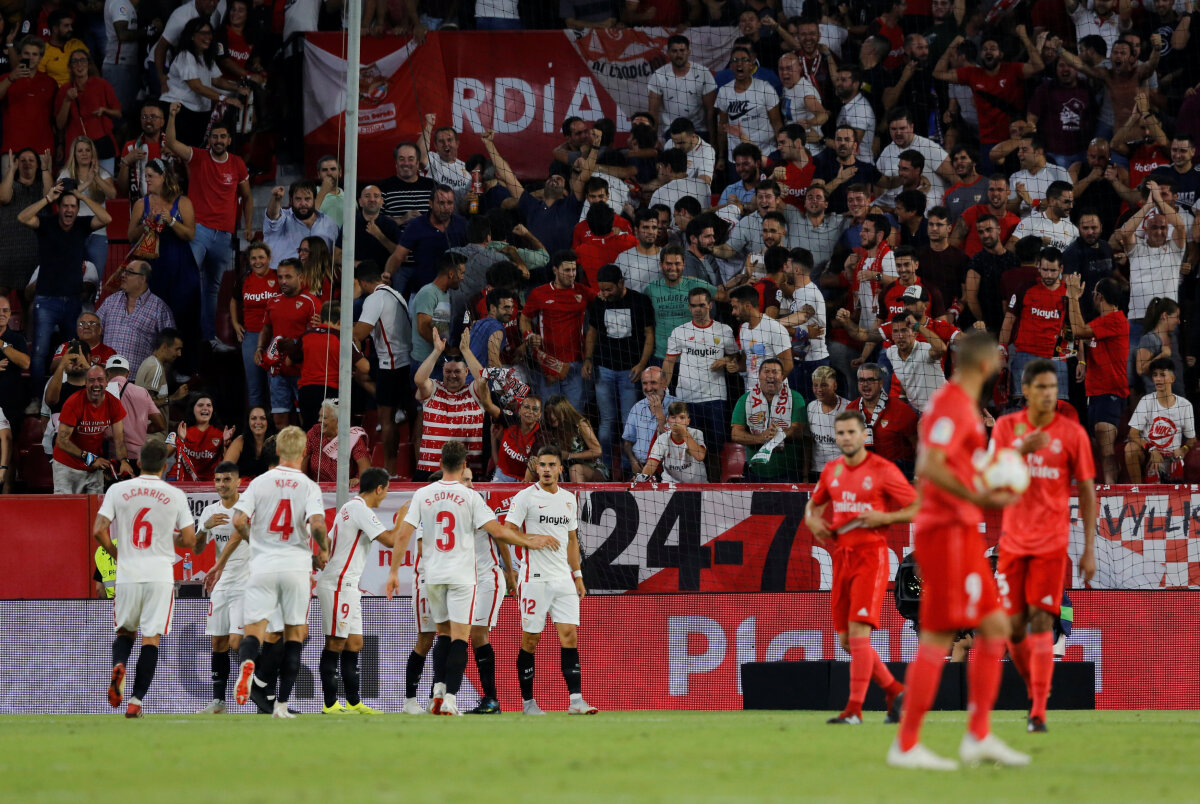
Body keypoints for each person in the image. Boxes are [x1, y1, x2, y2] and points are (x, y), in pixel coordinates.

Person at [888, 331, 1028, 770]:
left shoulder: (964, 407)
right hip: (945, 534)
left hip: (962, 533)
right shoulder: (951, 404)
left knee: (992, 628)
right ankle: (908, 743)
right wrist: (982, 489)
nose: (1001, 367)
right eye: (998, 360)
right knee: (939, 638)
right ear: (984, 363)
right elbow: (929, 467)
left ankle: (977, 736)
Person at [387, 441, 552, 716]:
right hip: (462, 576)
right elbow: (499, 533)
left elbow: (403, 534)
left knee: (443, 635)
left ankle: (437, 691)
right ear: (464, 464)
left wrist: (393, 572)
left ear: (440, 464)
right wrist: (529, 541)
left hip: (434, 576)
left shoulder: (423, 494)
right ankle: (450, 699)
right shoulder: (471, 498)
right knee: (461, 639)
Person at [990, 359, 1096, 733]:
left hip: (1052, 544)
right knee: (1014, 630)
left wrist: (1089, 548)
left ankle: (1037, 708)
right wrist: (1019, 451)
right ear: (1026, 389)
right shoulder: (1005, 428)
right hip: (1013, 543)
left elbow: (1086, 490)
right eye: (1042, 388)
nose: (1050, 394)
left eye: (1054, 387)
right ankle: (1036, 683)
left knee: (1041, 622)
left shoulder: (1073, 434)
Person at [805, 410, 916, 725]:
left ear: (864, 435)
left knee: (857, 637)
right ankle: (895, 689)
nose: (845, 438)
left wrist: (887, 518)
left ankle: (853, 710)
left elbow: (918, 505)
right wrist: (813, 520)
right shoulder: (831, 470)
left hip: (871, 556)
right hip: (842, 557)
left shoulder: (882, 469)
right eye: (840, 433)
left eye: (851, 432)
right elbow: (813, 504)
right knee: (845, 640)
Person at [93, 439, 199, 718]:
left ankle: (119, 665)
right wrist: (169, 536)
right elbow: (189, 540)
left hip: (128, 573)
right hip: (160, 575)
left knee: (124, 632)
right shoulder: (174, 494)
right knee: (150, 639)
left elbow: (98, 530)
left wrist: (119, 554)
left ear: (138, 462)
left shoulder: (118, 489)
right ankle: (136, 702)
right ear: (165, 466)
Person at [229, 425, 329, 719]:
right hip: (295, 565)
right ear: (301, 452)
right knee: (295, 633)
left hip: (262, 564)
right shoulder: (309, 486)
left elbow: (237, 520)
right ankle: (282, 705)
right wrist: (321, 550)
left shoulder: (260, 482)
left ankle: (249, 665)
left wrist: (256, 540)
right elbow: (319, 525)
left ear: (278, 451)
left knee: (257, 629)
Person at [504, 445, 597, 715]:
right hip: (534, 579)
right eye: (541, 465)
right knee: (531, 639)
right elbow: (507, 532)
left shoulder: (569, 499)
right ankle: (528, 702)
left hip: (563, 580)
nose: (546, 470)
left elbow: (571, 541)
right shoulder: (525, 497)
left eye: (551, 465)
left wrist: (577, 575)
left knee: (570, 635)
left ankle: (576, 700)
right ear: (537, 468)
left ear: (560, 468)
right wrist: (532, 540)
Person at [316, 467, 403, 715]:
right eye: (385, 490)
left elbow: (330, 541)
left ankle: (353, 703)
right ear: (379, 488)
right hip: (339, 583)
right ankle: (330, 703)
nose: (385, 496)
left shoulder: (347, 508)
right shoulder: (359, 509)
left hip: (348, 584)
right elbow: (389, 539)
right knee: (335, 642)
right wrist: (404, 517)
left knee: (354, 643)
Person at [165, 106, 254, 343]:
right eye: (214, 136)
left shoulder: (237, 164)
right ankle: (179, 335)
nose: (218, 140)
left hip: (224, 235)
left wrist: (247, 225)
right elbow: (172, 143)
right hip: (199, 230)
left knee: (212, 290)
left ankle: (209, 339)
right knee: (188, 281)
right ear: (210, 139)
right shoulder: (198, 156)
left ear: (229, 139)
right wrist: (172, 115)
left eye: (222, 136)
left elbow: (247, 197)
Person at [18, 180, 112, 389]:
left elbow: (107, 218)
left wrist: (82, 197)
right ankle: (36, 398)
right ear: (59, 208)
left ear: (77, 209)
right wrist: (47, 199)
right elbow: (22, 217)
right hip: (46, 299)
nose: (69, 210)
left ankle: (71, 394)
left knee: (73, 352)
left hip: (72, 301)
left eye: (73, 206)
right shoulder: (47, 223)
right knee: (40, 352)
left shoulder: (81, 224)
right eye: (65, 206)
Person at [584, 264, 654, 473]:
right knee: (606, 423)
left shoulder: (639, 301)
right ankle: (604, 468)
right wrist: (588, 359)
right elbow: (592, 332)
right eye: (602, 289)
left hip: (630, 372)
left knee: (628, 423)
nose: (604, 293)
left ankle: (627, 467)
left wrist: (642, 365)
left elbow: (649, 333)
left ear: (621, 283)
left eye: (608, 289)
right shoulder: (598, 302)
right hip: (604, 370)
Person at [662, 287, 737, 480]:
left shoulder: (724, 330)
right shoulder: (680, 332)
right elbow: (669, 363)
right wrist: (663, 390)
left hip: (715, 399)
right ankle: (692, 488)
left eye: (702, 305)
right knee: (688, 449)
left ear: (710, 305)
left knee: (714, 449)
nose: (698, 309)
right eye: (694, 306)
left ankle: (715, 492)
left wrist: (728, 361)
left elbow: (736, 357)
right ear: (689, 307)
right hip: (686, 400)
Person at [128, 158, 201, 354]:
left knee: (183, 315)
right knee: (154, 317)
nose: (147, 180)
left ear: (163, 177)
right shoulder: (140, 204)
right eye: (145, 177)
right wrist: (147, 222)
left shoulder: (182, 202)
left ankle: (185, 366)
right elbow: (130, 236)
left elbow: (190, 234)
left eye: (151, 176)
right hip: (154, 268)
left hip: (181, 267)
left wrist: (172, 222)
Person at [353, 260, 411, 476]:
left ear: (361, 282)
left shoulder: (374, 298)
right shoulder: (396, 295)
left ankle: (390, 470)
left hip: (391, 363)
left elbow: (358, 334)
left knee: (385, 419)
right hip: (403, 361)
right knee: (361, 375)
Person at [196, 462, 246, 713]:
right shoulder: (209, 512)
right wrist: (205, 528)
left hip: (248, 580)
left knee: (237, 642)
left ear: (238, 481)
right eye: (217, 480)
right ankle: (218, 702)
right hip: (222, 583)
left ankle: (253, 684)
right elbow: (196, 549)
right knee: (218, 641)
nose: (221, 485)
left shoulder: (247, 507)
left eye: (227, 479)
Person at [414, 327, 495, 479]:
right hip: (430, 469)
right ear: (442, 372)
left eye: (457, 372)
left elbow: (482, 379)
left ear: (466, 372)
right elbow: (419, 379)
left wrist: (465, 350)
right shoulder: (434, 388)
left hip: (467, 471)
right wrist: (437, 351)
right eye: (448, 372)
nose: (452, 376)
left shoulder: (474, 391)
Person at [521, 251, 593, 414]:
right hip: (548, 365)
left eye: (574, 270)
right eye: (567, 270)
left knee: (575, 416)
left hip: (575, 365)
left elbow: (603, 302)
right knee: (549, 414)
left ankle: (575, 440)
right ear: (555, 270)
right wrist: (529, 335)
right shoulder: (539, 293)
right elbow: (524, 318)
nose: (572, 274)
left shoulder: (583, 292)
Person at [160, 18, 248, 147]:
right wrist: (225, 99)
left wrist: (238, 88)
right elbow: (197, 87)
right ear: (191, 36)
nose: (207, 37)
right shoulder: (185, 56)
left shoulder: (205, 57)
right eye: (202, 33)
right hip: (179, 111)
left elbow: (217, 80)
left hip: (198, 111)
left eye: (209, 33)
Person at [999, 248, 1070, 401]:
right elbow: (1008, 321)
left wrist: (1082, 360)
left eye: (1053, 270)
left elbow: (1077, 328)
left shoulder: (1069, 294)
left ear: (1061, 269)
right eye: (1045, 270)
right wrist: (1002, 349)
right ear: (1038, 266)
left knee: (1058, 408)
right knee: (1021, 407)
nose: (1049, 275)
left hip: (1056, 359)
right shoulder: (1024, 289)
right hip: (1025, 356)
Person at [257, 259, 320, 429]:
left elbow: (316, 338)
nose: (283, 281)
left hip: (303, 372)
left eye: (288, 276)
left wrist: (294, 350)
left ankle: (307, 454)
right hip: (278, 371)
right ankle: (282, 455)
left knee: (305, 420)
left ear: (300, 277)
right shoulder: (273, 301)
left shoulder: (311, 302)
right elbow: (266, 327)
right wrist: (260, 348)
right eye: (280, 277)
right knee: (279, 419)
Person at [53, 364, 133, 493]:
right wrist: (90, 458)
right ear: (85, 383)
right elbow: (61, 441)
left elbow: (119, 440)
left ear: (107, 382)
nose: (96, 384)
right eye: (91, 380)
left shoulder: (114, 403)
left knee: (95, 509)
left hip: (93, 466)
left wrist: (124, 461)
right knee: (66, 510)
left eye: (100, 380)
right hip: (67, 465)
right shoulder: (73, 402)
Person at [385, 184, 468, 297]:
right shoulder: (416, 225)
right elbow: (398, 256)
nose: (446, 207)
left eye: (450, 203)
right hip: (422, 292)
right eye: (441, 203)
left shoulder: (462, 224)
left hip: (454, 295)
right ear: (430, 203)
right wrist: (387, 274)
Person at [96, 261, 176, 375]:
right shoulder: (110, 301)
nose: (123, 275)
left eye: (130, 272)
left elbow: (170, 348)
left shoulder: (159, 308)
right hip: (106, 378)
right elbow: (94, 333)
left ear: (142, 279)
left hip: (138, 381)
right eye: (124, 271)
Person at [731, 357, 805, 481]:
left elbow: (799, 431)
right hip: (755, 473)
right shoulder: (745, 399)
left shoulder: (796, 398)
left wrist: (780, 434)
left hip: (789, 473)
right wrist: (760, 438)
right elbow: (735, 434)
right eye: (766, 371)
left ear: (782, 377)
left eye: (775, 372)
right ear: (759, 376)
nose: (771, 375)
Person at [1126, 359, 1197, 483]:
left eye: (1162, 375)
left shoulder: (1185, 405)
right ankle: (1137, 491)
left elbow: (1192, 439)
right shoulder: (1146, 401)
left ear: (1172, 378)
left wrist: (1183, 450)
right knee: (1130, 448)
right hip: (1149, 454)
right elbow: (1133, 433)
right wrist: (1151, 449)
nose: (1157, 379)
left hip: (1172, 457)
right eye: (1155, 375)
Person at [715, 44, 783, 169]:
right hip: (737, 159)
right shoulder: (724, 92)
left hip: (766, 153)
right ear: (731, 66)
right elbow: (722, 127)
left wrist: (783, 152)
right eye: (735, 60)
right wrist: (721, 157)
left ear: (751, 65)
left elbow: (777, 124)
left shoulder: (765, 88)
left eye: (744, 60)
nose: (739, 64)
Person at [55, 52, 121, 175]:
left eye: (82, 60)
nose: (79, 65)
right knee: (76, 186)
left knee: (105, 187)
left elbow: (118, 113)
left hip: (102, 143)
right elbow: (60, 124)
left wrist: (104, 110)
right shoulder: (65, 90)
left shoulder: (102, 85)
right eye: (75, 61)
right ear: (70, 67)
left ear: (88, 64)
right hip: (75, 145)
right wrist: (67, 100)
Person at [848, 362, 918, 475]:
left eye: (870, 380)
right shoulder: (850, 410)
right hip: (864, 475)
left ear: (881, 383)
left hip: (898, 476)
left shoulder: (902, 410)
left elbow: (918, 446)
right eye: (861, 380)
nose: (865, 384)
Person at [230, 242, 277, 409]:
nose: (258, 262)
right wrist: (236, 324)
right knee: (255, 387)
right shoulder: (244, 279)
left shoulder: (278, 277)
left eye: (261, 257)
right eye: (254, 258)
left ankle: (276, 428)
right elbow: (234, 300)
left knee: (275, 385)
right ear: (249, 261)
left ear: (269, 259)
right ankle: (257, 427)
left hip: (274, 337)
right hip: (251, 336)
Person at [0, 148, 51, 296]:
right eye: (22, 160)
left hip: (35, 253)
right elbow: (3, 197)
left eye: (31, 160)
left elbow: (49, 196)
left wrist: (46, 169)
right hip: (8, 252)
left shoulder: (41, 187)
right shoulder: (11, 186)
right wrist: (11, 170)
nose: (26, 163)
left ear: (37, 164)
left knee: (30, 303)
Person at [648, 34, 716, 138]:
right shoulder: (659, 75)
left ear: (688, 51)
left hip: (699, 131)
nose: (679, 55)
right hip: (672, 132)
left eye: (682, 50)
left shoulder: (703, 73)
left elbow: (711, 110)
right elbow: (653, 112)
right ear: (668, 53)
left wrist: (713, 140)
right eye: (674, 51)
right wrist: (653, 140)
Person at [0, 37, 58, 160]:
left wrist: (61, 144)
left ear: (40, 58)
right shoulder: (6, 78)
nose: (30, 57)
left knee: (45, 180)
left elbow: (56, 118)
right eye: (27, 53)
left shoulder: (50, 83)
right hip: (12, 148)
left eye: (35, 54)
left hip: (43, 148)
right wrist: (10, 79)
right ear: (20, 55)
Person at [105, 354, 163, 472]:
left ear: (106, 373)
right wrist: (140, 428)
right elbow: (160, 424)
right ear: (128, 373)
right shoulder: (142, 392)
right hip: (138, 457)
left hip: (113, 457)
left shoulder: (102, 392)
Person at [731, 284, 793, 384]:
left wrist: (770, 388)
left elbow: (788, 365)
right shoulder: (743, 329)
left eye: (735, 307)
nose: (733, 312)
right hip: (752, 393)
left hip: (774, 395)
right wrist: (736, 366)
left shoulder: (774, 328)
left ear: (747, 306)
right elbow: (747, 362)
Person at [264, 181, 339, 263]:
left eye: (307, 199)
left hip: (319, 274)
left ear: (314, 199)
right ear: (291, 200)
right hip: (282, 274)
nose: (303, 203)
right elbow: (272, 216)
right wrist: (276, 199)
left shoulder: (330, 223)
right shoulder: (283, 218)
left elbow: (336, 254)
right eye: (298, 199)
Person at [622, 367, 677, 477]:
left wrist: (659, 413)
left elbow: (674, 440)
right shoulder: (637, 407)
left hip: (666, 470)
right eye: (645, 383)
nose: (648, 388)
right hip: (639, 467)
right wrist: (633, 461)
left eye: (653, 383)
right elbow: (628, 443)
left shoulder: (677, 405)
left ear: (664, 382)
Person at [637, 400, 706, 483]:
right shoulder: (662, 439)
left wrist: (684, 432)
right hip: (670, 486)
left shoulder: (696, 433)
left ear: (688, 421)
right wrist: (642, 478)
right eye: (673, 417)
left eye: (682, 417)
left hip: (697, 485)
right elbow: (651, 464)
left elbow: (700, 456)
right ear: (668, 421)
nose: (677, 421)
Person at [303, 398, 371, 483]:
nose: (319, 420)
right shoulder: (315, 432)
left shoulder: (352, 436)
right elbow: (303, 458)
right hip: (318, 489)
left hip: (345, 490)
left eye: (324, 417)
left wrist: (358, 480)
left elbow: (364, 466)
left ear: (338, 420)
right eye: (319, 416)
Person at [117, 101, 172, 203]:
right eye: (144, 117)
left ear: (162, 122)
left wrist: (178, 157)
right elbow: (122, 190)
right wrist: (125, 163)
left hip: (168, 206)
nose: (148, 120)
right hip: (139, 208)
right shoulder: (130, 147)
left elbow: (188, 181)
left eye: (153, 117)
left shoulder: (172, 146)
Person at [340, 184, 401, 269]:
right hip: (356, 275)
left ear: (382, 202)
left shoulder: (390, 225)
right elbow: (336, 254)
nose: (372, 199)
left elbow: (401, 256)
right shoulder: (350, 224)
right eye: (367, 196)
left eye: (376, 196)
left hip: (383, 276)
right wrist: (357, 264)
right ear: (360, 202)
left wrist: (379, 235)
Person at [378, 141, 437, 228]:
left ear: (417, 164)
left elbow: (444, 218)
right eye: (401, 159)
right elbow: (375, 221)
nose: (406, 163)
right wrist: (402, 219)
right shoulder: (382, 188)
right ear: (396, 163)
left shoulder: (432, 186)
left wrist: (425, 220)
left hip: (429, 240)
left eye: (411, 159)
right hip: (395, 241)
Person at [135, 328, 188, 423]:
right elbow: (147, 405)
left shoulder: (149, 362)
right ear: (164, 347)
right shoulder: (155, 368)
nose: (179, 354)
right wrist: (173, 398)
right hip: (152, 435)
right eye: (177, 349)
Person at [807, 365, 850, 479]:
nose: (819, 390)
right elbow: (808, 443)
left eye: (824, 385)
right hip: (817, 471)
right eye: (815, 385)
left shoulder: (848, 408)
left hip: (842, 472)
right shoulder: (811, 407)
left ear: (835, 385)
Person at [1134, 298, 1183, 395]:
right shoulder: (1149, 339)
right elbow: (1140, 370)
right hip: (1157, 400)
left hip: (1178, 398)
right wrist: (1162, 355)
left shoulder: (1173, 338)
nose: (1179, 321)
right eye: (1176, 317)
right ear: (1165, 316)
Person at [494, 395, 545, 482]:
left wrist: (525, 483)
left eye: (535, 409)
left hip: (525, 479)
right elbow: (488, 406)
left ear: (540, 415)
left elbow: (534, 460)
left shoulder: (541, 435)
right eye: (526, 407)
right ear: (520, 410)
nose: (530, 412)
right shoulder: (510, 420)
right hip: (502, 474)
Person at [223, 405, 275, 479]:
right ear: (248, 421)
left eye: (263, 418)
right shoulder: (240, 441)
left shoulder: (275, 442)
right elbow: (224, 470)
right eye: (253, 418)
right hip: (243, 488)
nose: (258, 422)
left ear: (268, 421)